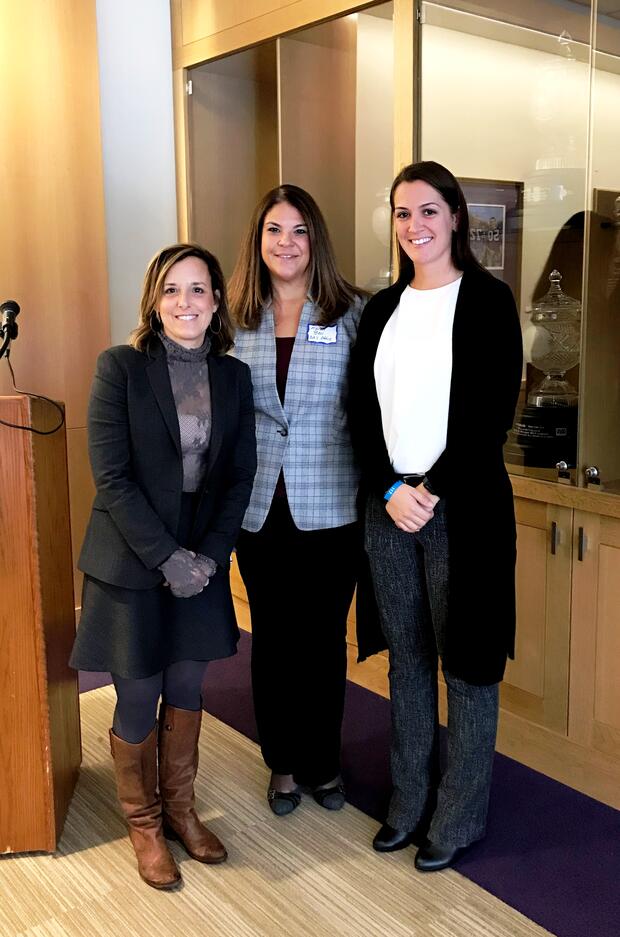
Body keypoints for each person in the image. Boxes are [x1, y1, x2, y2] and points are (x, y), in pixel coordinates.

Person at [349, 161, 523, 871]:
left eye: (427, 210)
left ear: (455, 215)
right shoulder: (382, 309)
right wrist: (390, 487)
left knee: (468, 666)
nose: (413, 226)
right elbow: (360, 412)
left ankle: (458, 816)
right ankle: (408, 800)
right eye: (401, 213)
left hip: (462, 509)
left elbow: (490, 413)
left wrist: (431, 488)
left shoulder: (486, 299)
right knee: (410, 662)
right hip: (389, 509)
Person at [70, 244, 256, 889]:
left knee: (185, 690)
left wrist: (206, 557)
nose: (186, 303)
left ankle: (181, 807)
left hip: (201, 561)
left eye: (199, 290)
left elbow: (238, 478)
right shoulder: (120, 367)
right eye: (173, 290)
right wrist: (166, 557)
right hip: (131, 558)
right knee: (139, 692)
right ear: (154, 300)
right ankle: (144, 821)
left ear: (215, 302)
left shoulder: (234, 377)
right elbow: (112, 477)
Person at [228, 184, 368, 816]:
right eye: (274, 231)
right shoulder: (234, 317)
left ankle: (322, 761)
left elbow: (369, 410)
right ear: (258, 242)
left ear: (317, 240)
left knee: (321, 640)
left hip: (331, 503)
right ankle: (282, 764)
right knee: (275, 638)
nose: (287, 243)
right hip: (258, 507)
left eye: (299, 231)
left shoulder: (352, 312)